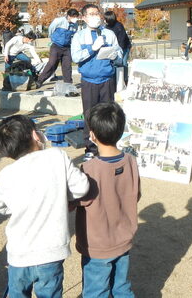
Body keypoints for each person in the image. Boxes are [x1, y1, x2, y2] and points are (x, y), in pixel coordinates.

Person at [0, 115, 89, 298]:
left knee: (17, 293)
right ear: (36, 135)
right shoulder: (57, 156)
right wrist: (63, 196)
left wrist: (14, 205)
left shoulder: (7, 174)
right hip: (51, 251)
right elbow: (81, 187)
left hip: (19, 253)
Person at [75, 102, 140, 298]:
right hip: (123, 237)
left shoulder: (89, 169)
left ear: (92, 135)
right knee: (121, 287)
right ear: (120, 131)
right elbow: (136, 194)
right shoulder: (131, 161)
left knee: (96, 291)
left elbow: (77, 201)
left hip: (97, 244)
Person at [71, 4, 123, 160]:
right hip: (89, 81)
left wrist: (115, 55)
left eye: (97, 13)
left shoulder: (109, 34)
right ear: (84, 18)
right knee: (89, 115)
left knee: (108, 115)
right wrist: (92, 48)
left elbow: (119, 53)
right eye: (91, 14)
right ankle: (91, 148)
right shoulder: (79, 36)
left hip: (107, 80)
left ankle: (109, 146)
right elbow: (75, 57)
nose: (95, 16)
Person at [36, 9, 79, 87]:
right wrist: (53, 39)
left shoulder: (75, 25)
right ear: (68, 16)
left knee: (67, 66)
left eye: (76, 17)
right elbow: (51, 29)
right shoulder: (59, 21)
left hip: (67, 47)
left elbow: (74, 35)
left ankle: (68, 84)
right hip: (56, 46)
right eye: (73, 16)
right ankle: (40, 80)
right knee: (52, 64)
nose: (75, 18)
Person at [103, 10, 132, 84]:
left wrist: (119, 52)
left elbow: (121, 41)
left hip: (124, 47)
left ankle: (125, 80)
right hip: (114, 48)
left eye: (105, 19)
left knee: (123, 63)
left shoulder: (119, 26)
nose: (104, 20)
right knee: (114, 64)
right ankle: (115, 79)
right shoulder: (106, 27)